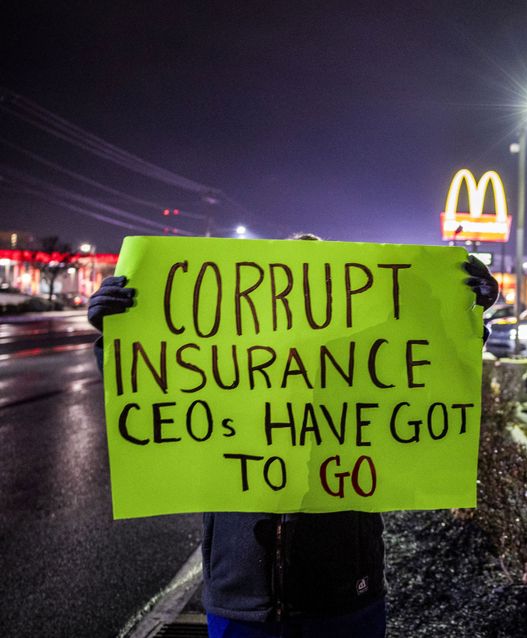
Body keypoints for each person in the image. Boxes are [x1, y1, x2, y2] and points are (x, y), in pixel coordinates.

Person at [88, 241, 498, 638]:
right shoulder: (232, 370)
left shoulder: (358, 368)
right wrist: (118, 334)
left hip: (344, 599)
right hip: (243, 601)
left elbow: (431, 378)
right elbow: (155, 393)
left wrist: (463, 313)